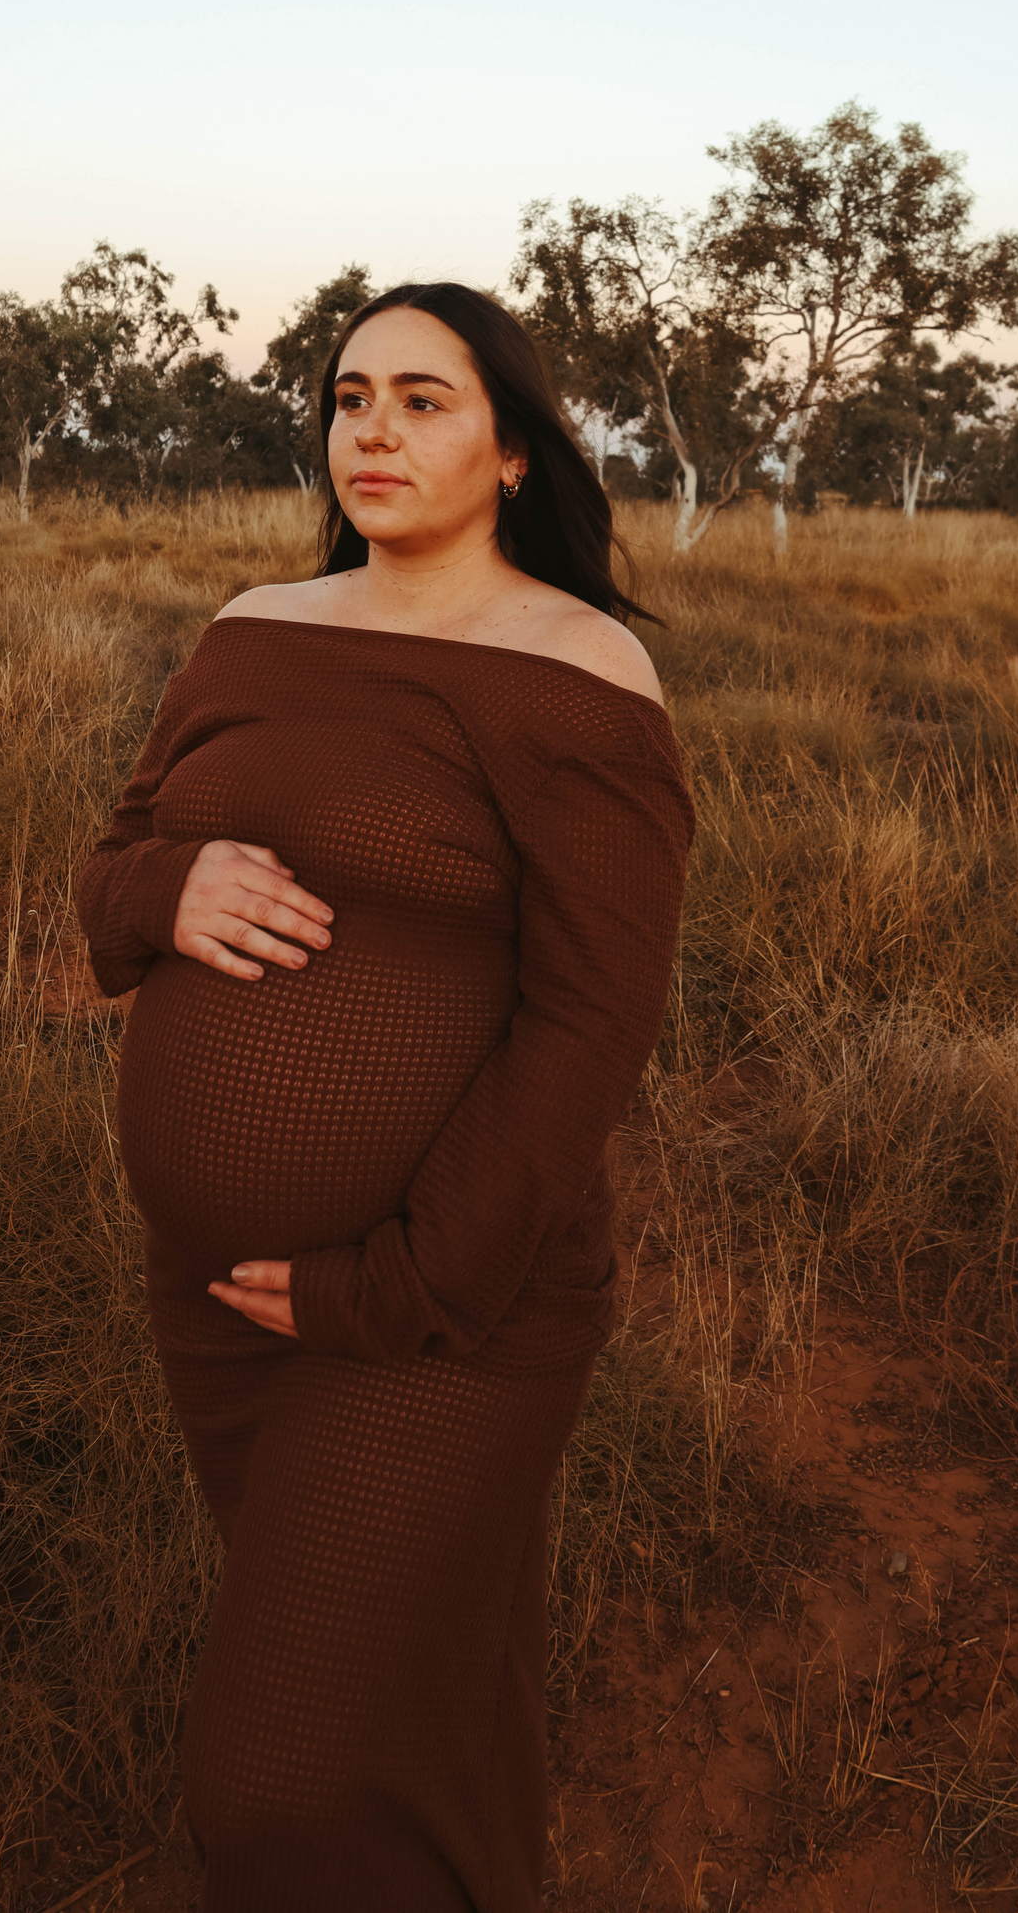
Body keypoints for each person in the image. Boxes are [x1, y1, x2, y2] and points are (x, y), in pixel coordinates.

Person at [77, 282, 694, 1911]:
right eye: (352, 398)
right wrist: (166, 885)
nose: (376, 431)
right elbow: (111, 865)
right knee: (425, 1694)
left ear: (508, 451)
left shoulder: (577, 668)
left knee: (278, 1778)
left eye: (426, 400)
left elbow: (590, 1021)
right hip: (218, 1297)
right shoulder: (257, 622)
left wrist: (400, 1285)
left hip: (440, 1308)